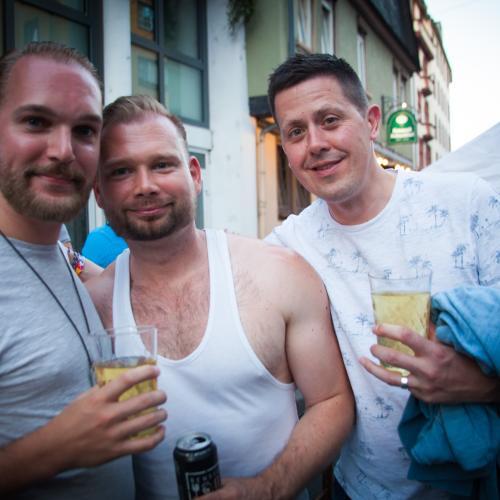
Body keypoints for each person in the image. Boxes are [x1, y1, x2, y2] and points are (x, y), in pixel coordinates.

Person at [85, 95, 354, 500]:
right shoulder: (91, 306)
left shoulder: (277, 273)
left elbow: (332, 401)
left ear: (194, 174)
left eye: (162, 165)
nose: (145, 186)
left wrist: (269, 487)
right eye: (121, 171)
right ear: (99, 193)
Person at [266, 53, 500, 499]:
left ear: (371, 122)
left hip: (476, 485)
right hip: (360, 489)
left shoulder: (467, 203)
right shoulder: (289, 244)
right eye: (295, 132)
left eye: (330, 120)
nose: (315, 143)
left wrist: (484, 385)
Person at [0, 42, 166, 498]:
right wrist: (57, 448)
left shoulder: (55, 249)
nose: (63, 151)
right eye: (36, 122)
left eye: (85, 131)